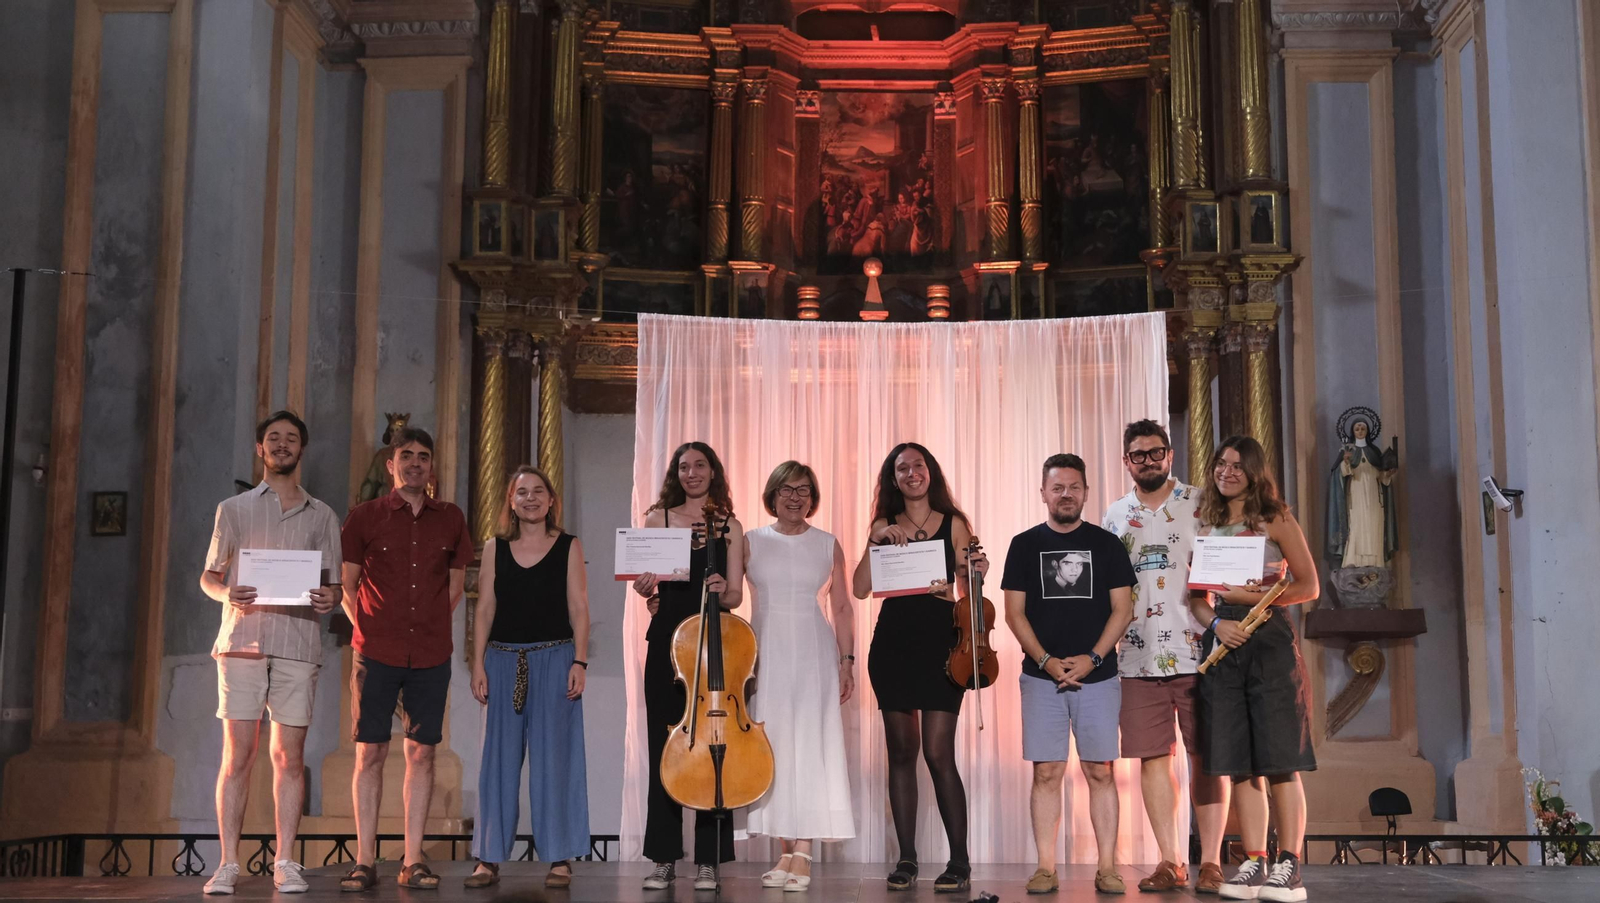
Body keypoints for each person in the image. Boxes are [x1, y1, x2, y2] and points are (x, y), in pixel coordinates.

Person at [199, 411, 343, 896]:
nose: (282, 445)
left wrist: (331, 599)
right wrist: (227, 594)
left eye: (292, 439)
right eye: (273, 438)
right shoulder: (233, 509)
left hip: (298, 645)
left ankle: (284, 860)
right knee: (237, 755)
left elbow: (334, 588)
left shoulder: (322, 515)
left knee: (289, 756)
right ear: (260, 449)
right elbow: (209, 577)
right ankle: (227, 863)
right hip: (242, 644)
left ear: (302, 449)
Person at [337, 427, 475, 892]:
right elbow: (347, 586)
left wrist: (429, 624)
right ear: (390, 465)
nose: (415, 463)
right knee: (370, 752)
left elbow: (455, 587)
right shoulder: (364, 517)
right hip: (375, 652)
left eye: (423, 456)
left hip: (431, 653)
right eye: (406, 456)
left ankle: (413, 859)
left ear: (431, 467)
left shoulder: (451, 518)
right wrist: (368, 631)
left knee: (421, 753)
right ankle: (364, 859)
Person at [850, 442, 987, 894]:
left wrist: (973, 574)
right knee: (902, 754)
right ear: (893, 478)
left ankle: (960, 860)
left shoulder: (956, 524)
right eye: (902, 468)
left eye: (919, 465)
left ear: (931, 472)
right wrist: (875, 543)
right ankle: (906, 858)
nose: (912, 473)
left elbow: (969, 597)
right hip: (892, 645)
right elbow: (859, 588)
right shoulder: (882, 525)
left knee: (938, 753)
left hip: (943, 646)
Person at [1101, 420, 1229, 894]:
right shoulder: (1114, 515)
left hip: (1201, 653)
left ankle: (1212, 860)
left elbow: (1225, 567)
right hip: (1135, 656)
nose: (1149, 461)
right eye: (1139, 455)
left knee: (1209, 757)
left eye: (1156, 453)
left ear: (1170, 455)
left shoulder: (1202, 504)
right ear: (1126, 461)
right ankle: (1170, 860)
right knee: (1152, 760)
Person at [1190, 436, 1319, 903]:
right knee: (1240, 765)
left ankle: (1290, 867)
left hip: (1268, 641)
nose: (1226, 473)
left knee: (1280, 760)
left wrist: (1254, 600)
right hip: (1226, 644)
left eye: (1237, 467)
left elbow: (1308, 585)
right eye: (1221, 464)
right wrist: (1217, 623)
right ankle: (1255, 861)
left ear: (1255, 472)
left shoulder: (1275, 518)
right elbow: (1196, 598)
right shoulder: (1207, 523)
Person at [1003, 454, 1135, 896]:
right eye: (1057, 487)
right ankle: (1045, 867)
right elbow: (1014, 613)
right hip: (1041, 678)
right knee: (1047, 772)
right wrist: (1045, 660)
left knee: (1100, 771)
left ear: (1085, 492)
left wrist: (1093, 659)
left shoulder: (1108, 545)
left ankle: (1108, 866)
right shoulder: (1024, 545)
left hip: (1098, 676)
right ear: (1043, 492)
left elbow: (1123, 609)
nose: (1066, 495)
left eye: (1074, 487)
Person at [465, 466, 591, 890]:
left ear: (551, 500)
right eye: (522, 492)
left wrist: (581, 660)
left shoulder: (569, 546)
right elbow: (484, 609)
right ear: (511, 501)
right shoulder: (495, 547)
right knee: (496, 763)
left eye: (539, 492)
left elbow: (579, 607)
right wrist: (477, 663)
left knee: (556, 760)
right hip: (502, 661)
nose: (531, 498)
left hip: (555, 659)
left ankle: (559, 856)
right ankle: (488, 856)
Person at [631, 442, 746, 892]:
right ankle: (663, 858)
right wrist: (645, 589)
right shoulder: (656, 519)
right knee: (666, 746)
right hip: (665, 641)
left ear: (713, 471)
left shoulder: (730, 526)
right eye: (683, 466)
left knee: (711, 747)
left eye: (700, 465)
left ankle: (709, 861)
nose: (691, 473)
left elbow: (736, 595)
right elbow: (646, 585)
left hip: (711, 644)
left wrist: (721, 586)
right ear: (675, 474)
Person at [743, 461, 857, 892]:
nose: (795, 497)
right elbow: (730, 594)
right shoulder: (752, 541)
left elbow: (842, 606)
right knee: (773, 746)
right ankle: (786, 850)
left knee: (811, 742)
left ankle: (804, 848)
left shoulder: (828, 544)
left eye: (804, 490)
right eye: (787, 489)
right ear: (772, 494)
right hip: (765, 650)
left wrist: (847, 660)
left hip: (813, 648)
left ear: (813, 497)